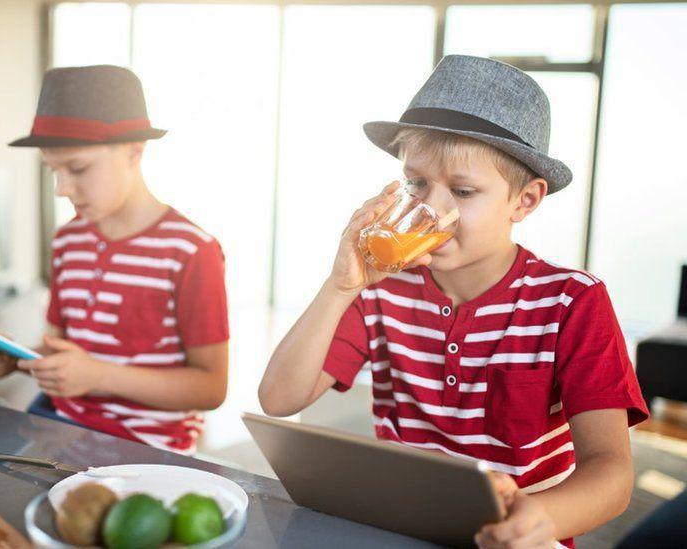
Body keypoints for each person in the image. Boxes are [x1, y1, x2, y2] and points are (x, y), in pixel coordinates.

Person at [258, 55, 649, 547]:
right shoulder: (382, 288)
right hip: (402, 527)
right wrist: (341, 287)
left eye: (463, 191)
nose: (432, 210)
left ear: (524, 202)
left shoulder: (572, 302)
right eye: (416, 183)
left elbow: (611, 474)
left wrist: (538, 519)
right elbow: (279, 399)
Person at [0, 65, 229, 455]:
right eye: (53, 170)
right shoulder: (67, 241)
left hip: (148, 447)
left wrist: (97, 376)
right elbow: (59, 350)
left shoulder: (191, 251)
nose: (62, 189)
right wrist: (16, 361)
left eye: (78, 169)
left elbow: (211, 388)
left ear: (134, 151)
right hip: (58, 428)